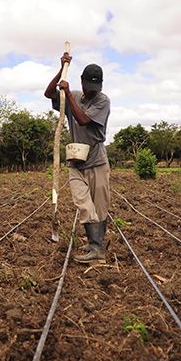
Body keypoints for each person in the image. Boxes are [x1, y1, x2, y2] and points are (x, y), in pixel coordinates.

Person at [44, 52, 111, 263]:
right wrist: (61, 69)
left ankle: (97, 247)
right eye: (88, 89)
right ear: (82, 84)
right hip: (76, 161)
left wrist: (69, 96)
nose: (91, 93)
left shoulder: (103, 101)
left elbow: (82, 120)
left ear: (99, 87)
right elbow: (48, 94)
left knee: (99, 207)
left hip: (97, 160)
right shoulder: (74, 94)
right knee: (83, 203)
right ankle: (95, 247)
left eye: (95, 89)